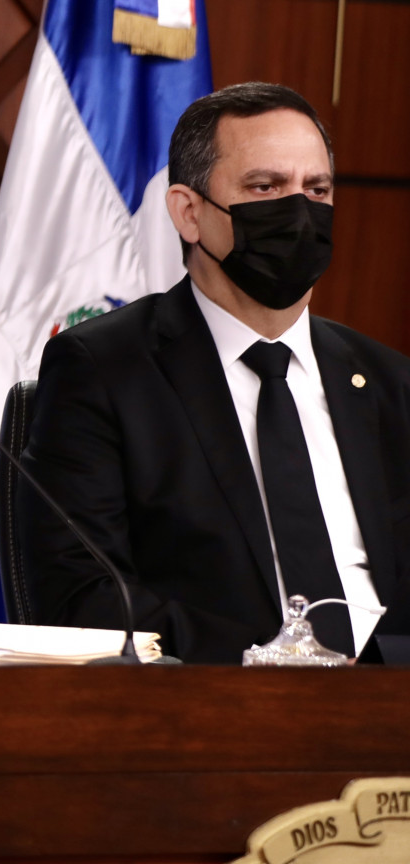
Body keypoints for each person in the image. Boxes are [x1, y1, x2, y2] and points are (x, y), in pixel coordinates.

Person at [22, 82, 410, 663]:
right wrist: (272, 663)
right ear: (189, 212)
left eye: (316, 189)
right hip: (216, 702)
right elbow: (82, 598)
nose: (299, 212)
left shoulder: (390, 382)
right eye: (265, 187)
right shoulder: (103, 370)